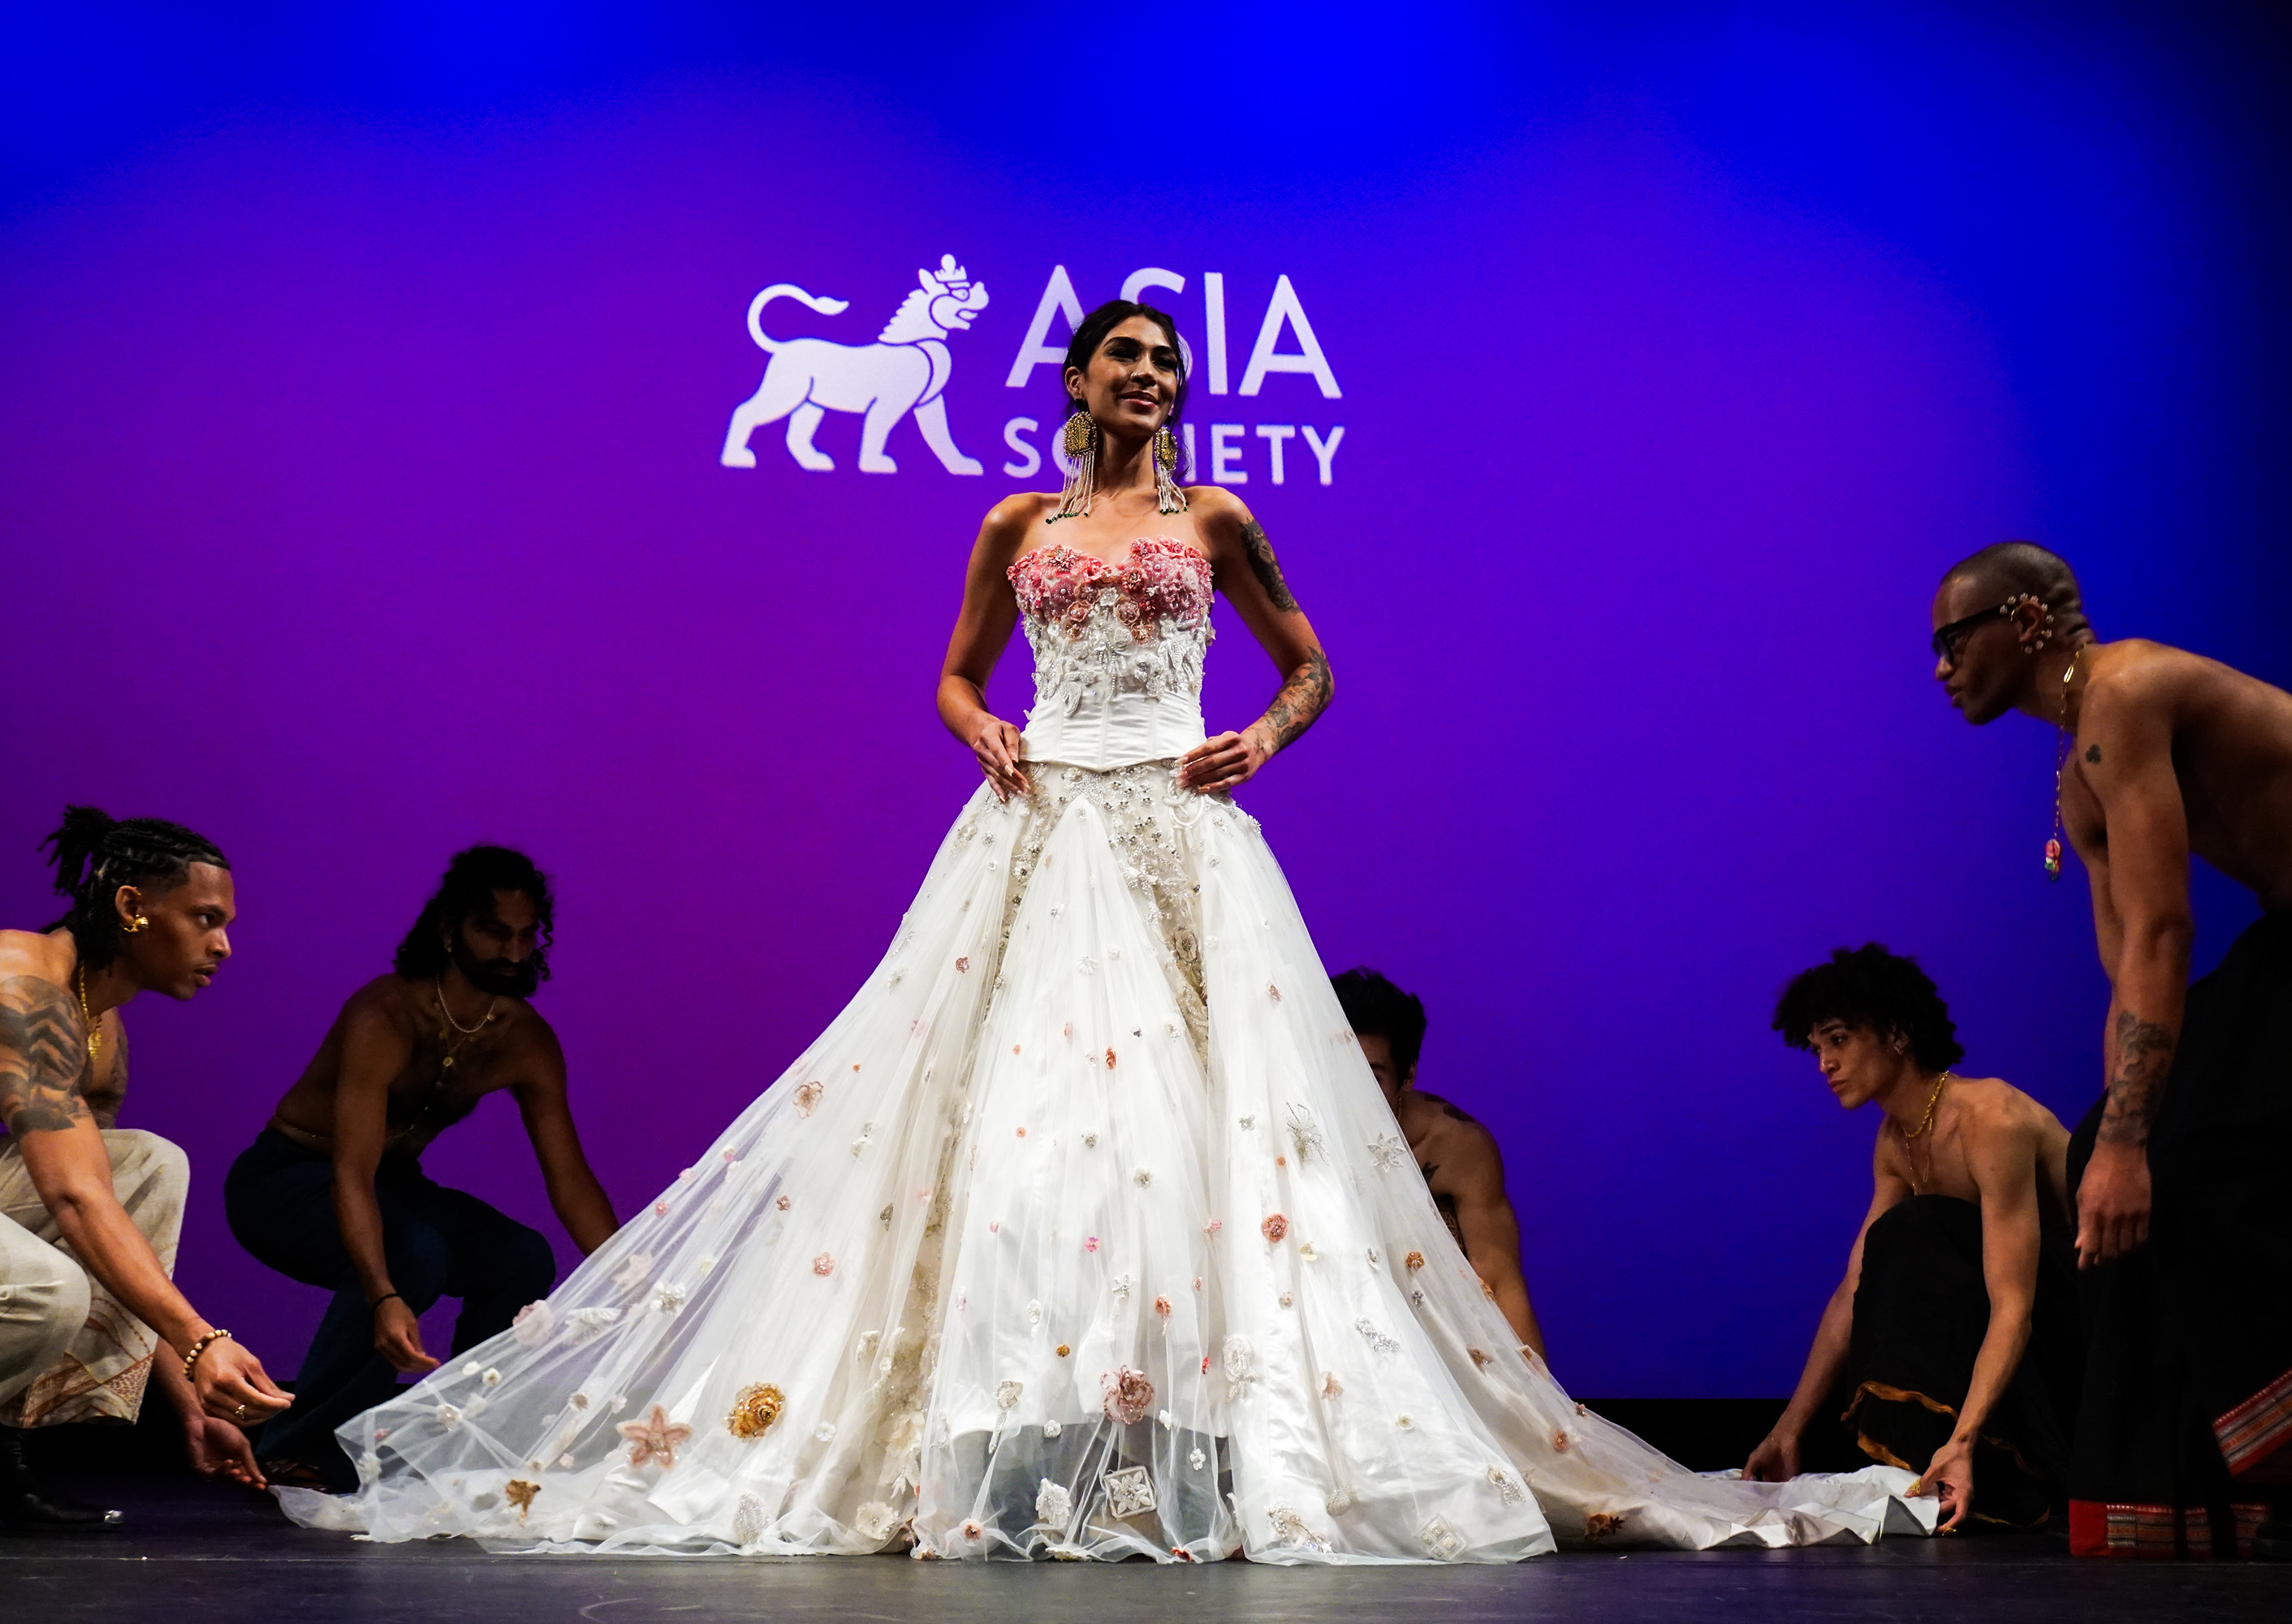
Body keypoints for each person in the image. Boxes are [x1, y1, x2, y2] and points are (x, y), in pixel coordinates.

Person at [277, 302, 1932, 1561]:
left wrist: (1260, 744)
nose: (1146, 375)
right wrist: (978, 730)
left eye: (1163, 360)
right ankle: (1019, 1441)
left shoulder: (1214, 521)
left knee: (1200, 1133)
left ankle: (1188, 1437)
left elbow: (1315, 663)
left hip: (1177, 826)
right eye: (1121, 358)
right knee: (1024, 1126)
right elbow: (948, 669)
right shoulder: (1018, 524)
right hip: (1040, 818)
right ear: (1076, 384)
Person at [1932, 542, 2292, 1558]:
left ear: (2029, 621)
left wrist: (2138, 1149)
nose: (1941, 668)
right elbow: (2127, 966)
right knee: (2110, 1172)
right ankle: (2202, 1501)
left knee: (2179, 1161)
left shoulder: (2124, 692)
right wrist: (2114, 1156)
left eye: (1956, 639)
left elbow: (2168, 932)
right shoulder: (2076, 769)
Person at [0, 807, 288, 1527]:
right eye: (206, 919)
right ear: (131, 908)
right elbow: (73, 1200)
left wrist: (189, 1398)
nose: (224, 946)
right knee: (42, 1289)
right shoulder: (21, 989)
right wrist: (204, 1343)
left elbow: (108, 1233)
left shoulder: (99, 1032)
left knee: (149, 1167)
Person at [225, 845, 619, 1490]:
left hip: (391, 1186)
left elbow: (569, 1178)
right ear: (449, 929)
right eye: (494, 932)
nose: (514, 953)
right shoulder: (385, 1016)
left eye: (525, 936)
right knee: (414, 1256)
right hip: (286, 1180)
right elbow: (351, 1173)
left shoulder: (525, 1041)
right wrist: (384, 1294)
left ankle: (454, 1435)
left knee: (520, 1256)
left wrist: (632, 1280)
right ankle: (294, 1447)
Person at [1744, 944, 2081, 1533]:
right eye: (1817, 1048)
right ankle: (1941, 1468)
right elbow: (1856, 1287)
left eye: (1839, 1040)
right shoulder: (1894, 1143)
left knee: (1919, 1231)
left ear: (1897, 1032)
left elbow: (2014, 1304)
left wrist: (1965, 1438)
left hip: (2095, 1316)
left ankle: (2001, 1466)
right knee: (1894, 1251)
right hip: (2022, 1327)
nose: (1824, 1063)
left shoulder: (1989, 1117)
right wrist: (1789, 1429)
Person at [1330, 968, 1545, 1358]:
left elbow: (1498, 1276)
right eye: (1337, 1069)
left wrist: (1544, 1408)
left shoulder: (1454, 1145)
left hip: (1427, 1337)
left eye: (1371, 1077)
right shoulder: (1287, 1127)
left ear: (1407, 1075)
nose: (1350, 1092)